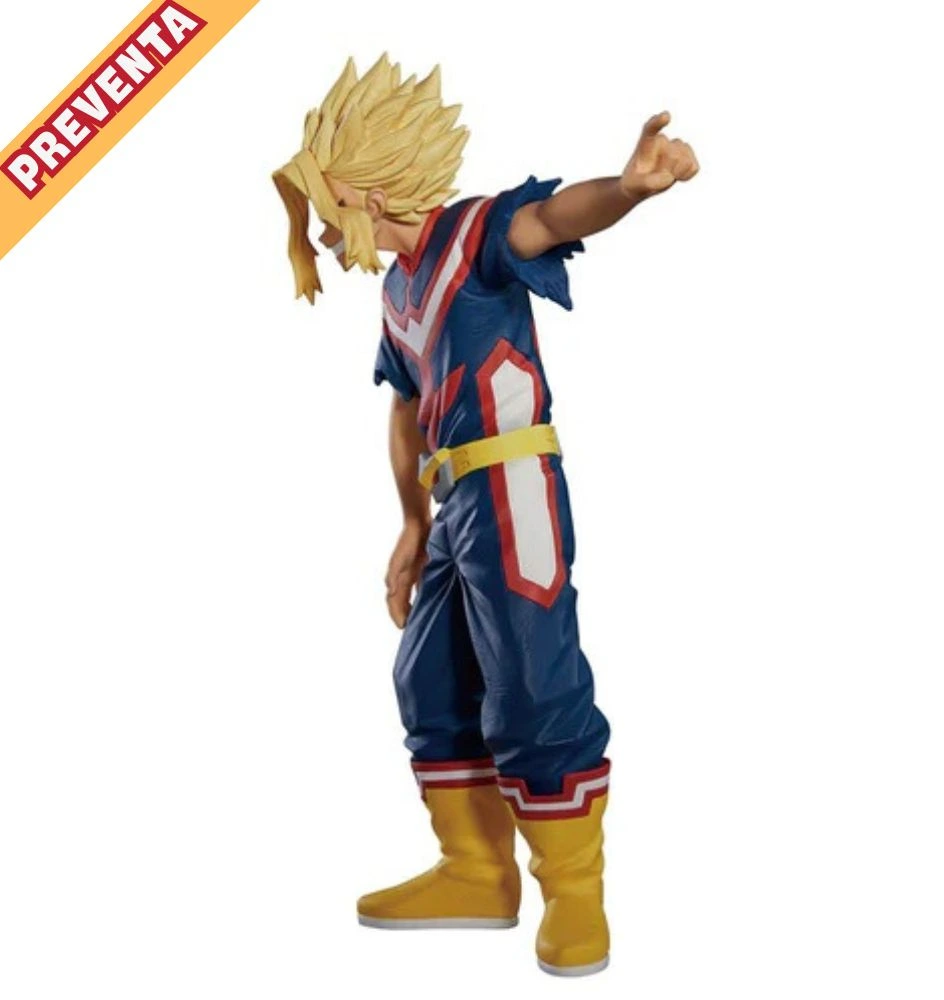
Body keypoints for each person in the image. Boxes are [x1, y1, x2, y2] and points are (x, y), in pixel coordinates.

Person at [273, 54, 698, 978]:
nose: (323, 227)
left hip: (513, 485)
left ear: (370, 185)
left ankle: (575, 891)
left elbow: (552, 218)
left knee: (532, 679)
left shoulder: (473, 234)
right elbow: (405, 405)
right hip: (453, 499)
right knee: (428, 676)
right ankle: (476, 869)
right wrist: (411, 524)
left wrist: (627, 190)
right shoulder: (397, 289)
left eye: (328, 202)